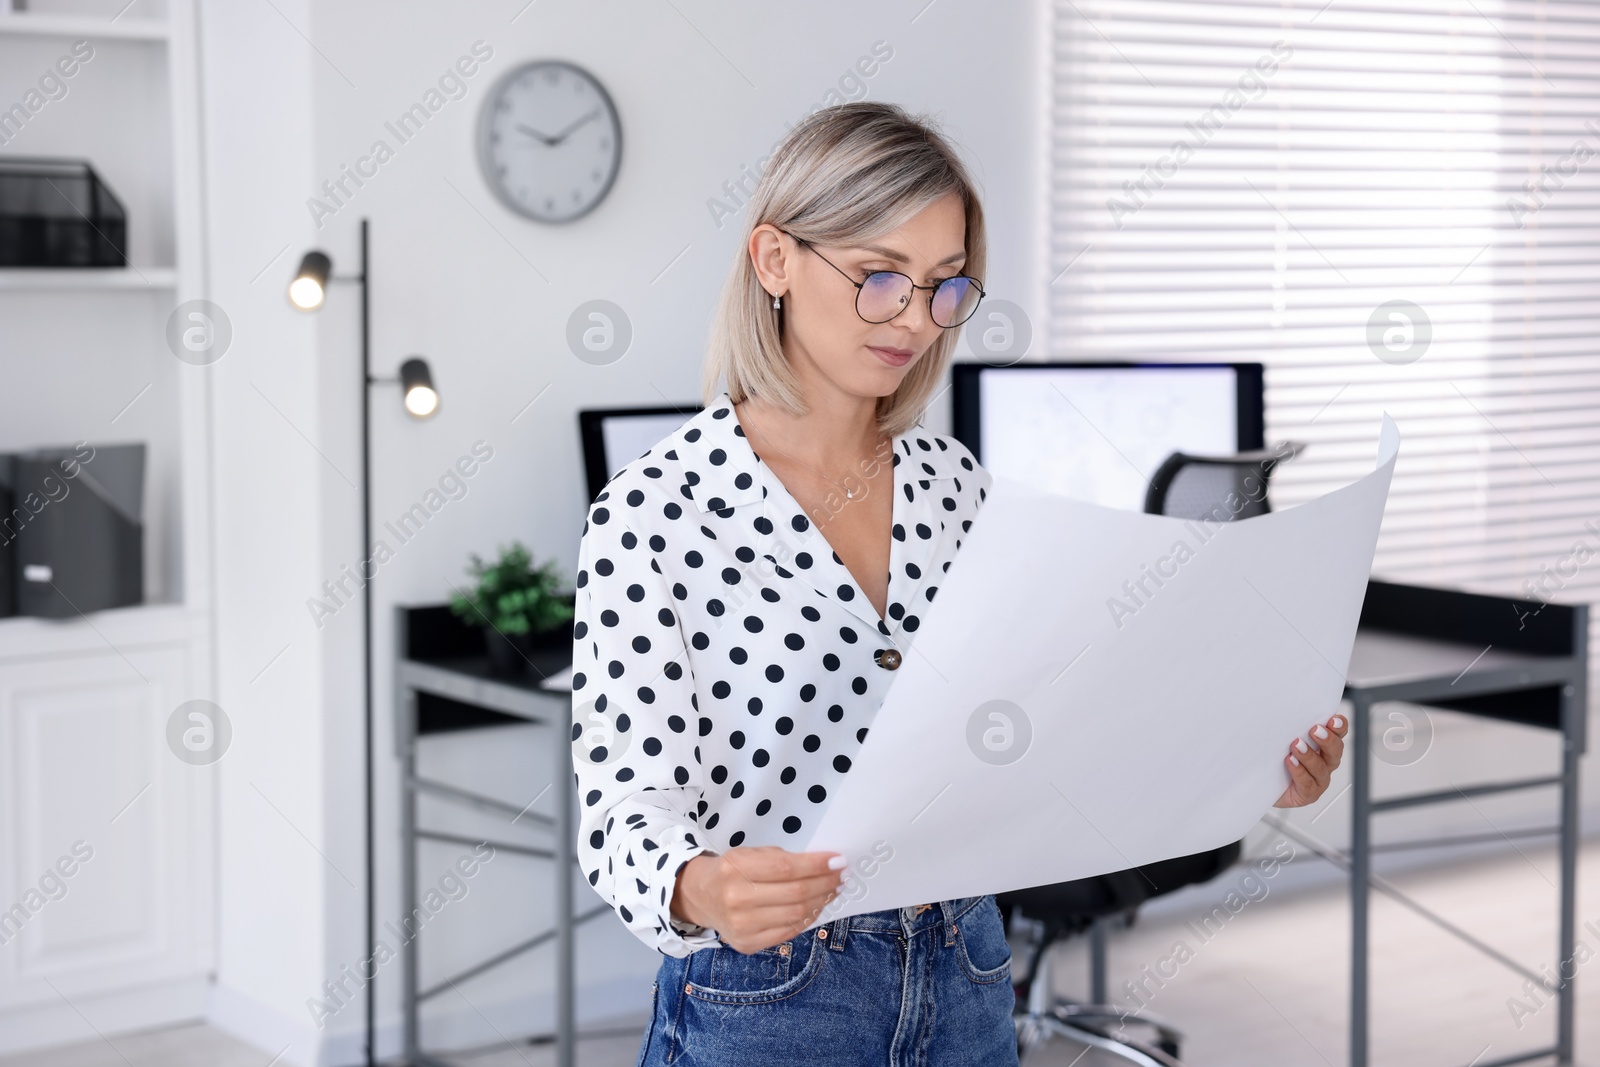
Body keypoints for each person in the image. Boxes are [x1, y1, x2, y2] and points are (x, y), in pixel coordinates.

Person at [569, 100, 1348, 1067]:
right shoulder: (656, 512)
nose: (914, 318)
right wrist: (697, 885)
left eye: (944, 286)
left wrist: (1250, 758)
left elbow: (1044, 733)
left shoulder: (956, 486)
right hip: (770, 997)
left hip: (970, 967)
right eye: (879, 276)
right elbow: (620, 808)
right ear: (773, 260)